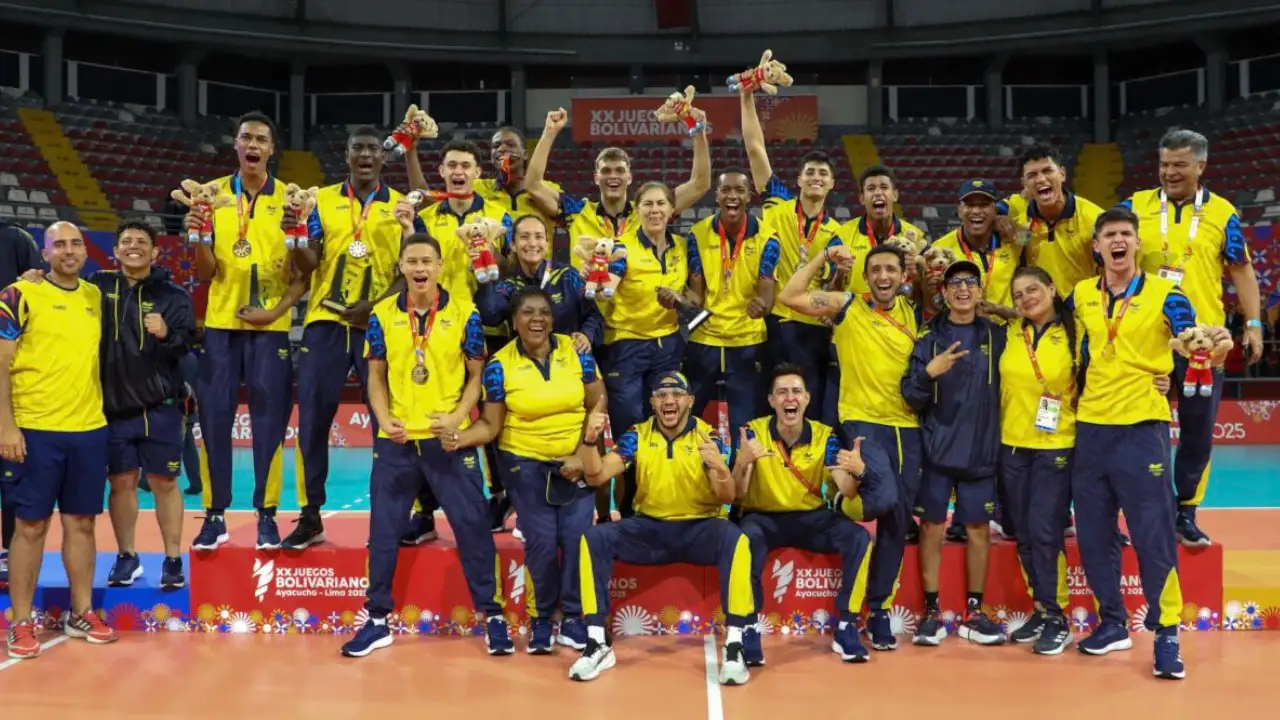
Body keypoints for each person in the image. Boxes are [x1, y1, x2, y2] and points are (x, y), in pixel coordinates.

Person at [1066, 205, 1230, 680]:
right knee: (1095, 537)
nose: (1117, 242)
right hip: (1090, 430)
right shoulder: (1078, 295)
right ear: (1096, 246)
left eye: (1125, 234)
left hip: (1142, 430)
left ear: (1137, 243)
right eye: (1108, 236)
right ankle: (1112, 623)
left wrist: (1203, 342)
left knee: (1153, 536)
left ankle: (1166, 635)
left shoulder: (1166, 293)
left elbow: (1189, 335)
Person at [339, 234, 512, 658]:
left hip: (448, 441)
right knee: (382, 532)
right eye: (412, 261)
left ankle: (493, 617)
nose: (419, 268)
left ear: (438, 266)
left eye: (427, 261)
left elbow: (478, 375)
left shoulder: (464, 314)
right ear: (401, 267)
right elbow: (374, 376)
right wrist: (382, 419)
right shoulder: (381, 315)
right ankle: (377, 619)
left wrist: (456, 418)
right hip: (396, 441)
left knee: (473, 529)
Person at [22, 221, 196, 590]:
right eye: (126, 242)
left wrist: (167, 334)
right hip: (111, 407)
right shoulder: (96, 289)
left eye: (142, 242)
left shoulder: (174, 296)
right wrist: (35, 275)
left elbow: (187, 346)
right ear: (115, 252)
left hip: (160, 406)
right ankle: (127, 556)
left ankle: (172, 558)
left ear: (155, 252)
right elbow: (60, 287)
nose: (134, 247)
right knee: (121, 483)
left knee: (165, 483)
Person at [1123, 129, 1263, 547]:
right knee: (1133, 429)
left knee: (1198, 432)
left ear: (1201, 166)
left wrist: (1253, 324)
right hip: (1144, 341)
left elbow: (1240, 270)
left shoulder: (1223, 213)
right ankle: (1142, 511)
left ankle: (1186, 510)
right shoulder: (1135, 206)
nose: (1169, 172)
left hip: (1202, 345)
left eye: (1179, 164)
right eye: (1164, 164)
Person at [445, 286, 605, 653]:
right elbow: (491, 426)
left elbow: (598, 400)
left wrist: (583, 454)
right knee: (544, 543)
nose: (538, 319)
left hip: (576, 458)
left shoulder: (576, 352)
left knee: (577, 539)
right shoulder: (499, 366)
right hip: (524, 463)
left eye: (544, 313)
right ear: (514, 322)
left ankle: (573, 619)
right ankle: (542, 621)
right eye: (528, 313)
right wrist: (462, 438)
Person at [777, 243, 920, 652]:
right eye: (875, 269)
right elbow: (790, 297)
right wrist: (824, 257)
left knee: (897, 523)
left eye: (891, 269)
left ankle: (876, 612)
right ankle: (840, 502)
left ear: (902, 275)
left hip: (908, 427)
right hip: (863, 424)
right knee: (885, 499)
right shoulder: (847, 305)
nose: (883, 277)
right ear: (866, 275)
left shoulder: (915, 312)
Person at [284, 126, 419, 550]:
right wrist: (294, 237)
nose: (365, 155)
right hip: (325, 322)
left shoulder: (400, 206)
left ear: (383, 157)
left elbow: (408, 272)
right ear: (346, 157)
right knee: (312, 425)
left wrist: (374, 306)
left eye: (372, 149)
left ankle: (389, 516)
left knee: (388, 423)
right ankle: (310, 516)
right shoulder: (321, 200)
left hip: (378, 326)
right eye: (357, 148)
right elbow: (308, 264)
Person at [569, 371, 751, 685]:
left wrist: (721, 468)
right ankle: (597, 641)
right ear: (652, 402)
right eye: (662, 394)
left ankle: (735, 644)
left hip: (699, 529)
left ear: (690, 401)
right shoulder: (636, 435)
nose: (669, 400)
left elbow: (727, 496)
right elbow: (597, 476)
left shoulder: (710, 437)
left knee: (737, 540)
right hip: (648, 530)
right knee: (593, 539)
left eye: (677, 394)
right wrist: (588, 440)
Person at [184, 111, 307, 552]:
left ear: (272, 149)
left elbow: (303, 273)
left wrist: (273, 311)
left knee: (269, 423)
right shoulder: (212, 196)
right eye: (245, 137)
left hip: (270, 329)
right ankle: (215, 514)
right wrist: (198, 237)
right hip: (220, 325)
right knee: (214, 418)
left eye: (261, 139)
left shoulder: (290, 202)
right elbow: (206, 271)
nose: (252, 144)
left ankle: (267, 514)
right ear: (235, 145)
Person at [0, 222, 116, 658]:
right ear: (44, 254)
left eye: (76, 244)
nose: (68, 251)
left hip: (88, 428)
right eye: (59, 245)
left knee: (82, 523)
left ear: (85, 252)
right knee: (29, 526)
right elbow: (1, 363)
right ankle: (22, 620)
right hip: (33, 429)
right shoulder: (18, 295)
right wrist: (6, 426)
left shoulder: (94, 297)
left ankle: (81, 611)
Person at [732, 362, 883, 666]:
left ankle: (846, 626)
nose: (790, 398)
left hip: (812, 518)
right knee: (744, 540)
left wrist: (857, 472)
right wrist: (741, 462)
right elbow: (738, 494)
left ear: (807, 399)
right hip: (764, 518)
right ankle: (749, 627)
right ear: (772, 400)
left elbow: (847, 490)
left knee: (858, 538)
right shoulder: (752, 433)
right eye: (782, 392)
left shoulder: (825, 437)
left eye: (796, 392)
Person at [403, 139, 513, 542]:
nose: (459, 172)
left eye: (466, 165)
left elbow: (511, 269)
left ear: (477, 173)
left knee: (491, 419)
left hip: (488, 330)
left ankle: (500, 498)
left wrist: (486, 252)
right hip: (437, 331)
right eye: (451, 166)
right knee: (430, 418)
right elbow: (415, 268)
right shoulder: (428, 219)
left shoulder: (501, 217)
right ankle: (424, 511)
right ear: (443, 173)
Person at [474, 213, 606, 526]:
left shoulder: (568, 277)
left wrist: (587, 335)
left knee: (593, 432)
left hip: (571, 370)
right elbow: (491, 314)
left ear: (548, 243)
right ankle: (513, 503)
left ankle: (603, 515)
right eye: (524, 237)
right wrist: (483, 269)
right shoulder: (508, 284)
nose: (532, 243)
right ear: (515, 244)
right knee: (510, 437)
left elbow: (594, 316)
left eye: (538, 237)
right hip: (526, 372)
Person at [900, 260, 1006, 647]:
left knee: (978, 530)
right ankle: (931, 612)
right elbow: (910, 396)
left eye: (970, 283)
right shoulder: (928, 338)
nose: (963, 289)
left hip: (982, 452)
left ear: (980, 291)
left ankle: (975, 613)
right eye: (955, 283)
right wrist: (929, 373)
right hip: (936, 452)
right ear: (943, 292)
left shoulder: (998, 336)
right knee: (931, 528)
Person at [739, 88, 844, 425]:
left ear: (831, 184)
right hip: (770, 324)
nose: (816, 177)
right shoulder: (775, 204)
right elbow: (755, 148)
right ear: (799, 179)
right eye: (810, 172)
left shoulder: (837, 234)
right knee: (763, 404)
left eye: (823, 174)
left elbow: (832, 286)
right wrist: (745, 97)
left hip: (811, 331)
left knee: (806, 409)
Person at [598, 181, 695, 518]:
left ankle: (662, 501)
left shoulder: (683, 247)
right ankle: (626, 508)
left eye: (661, 204)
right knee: (630, 431)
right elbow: (605, 289)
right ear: (636, 210)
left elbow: (696, 300)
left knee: (664, 428)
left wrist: (679, 301)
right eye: (647, 204)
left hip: (668, 347)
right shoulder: (621, 248)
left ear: (671, 210)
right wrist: (598, 280)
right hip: (626, 348)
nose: (655, 210)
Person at [524, 108, 711, 272]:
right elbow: (533, 185)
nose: (613, 176)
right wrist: (549, 133)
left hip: (632, 308)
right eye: (606, 171)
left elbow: (700, 184)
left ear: (629, 178)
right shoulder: (577, 211)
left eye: (620, 171)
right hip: (589, 307)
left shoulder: (647, 211)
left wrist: (698, 133)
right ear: (596, 178)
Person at [684, 167, 780, 446]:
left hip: (747, 341)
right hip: (706, 339)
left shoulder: (768, 238)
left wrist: (761, 306)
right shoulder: (697, 235)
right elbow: (697, 296)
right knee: (689, 415)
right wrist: (678, 301)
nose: (732, 196)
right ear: (716, 196)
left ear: (750, 196)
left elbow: (767, 295)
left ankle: (744, 483)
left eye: (739, 190)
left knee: (746, 422)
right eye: (726, 190)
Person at [998, 144, 1103, 297]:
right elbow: (988, 211)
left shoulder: (1094, 219)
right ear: (1024, 184)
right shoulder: (1018, 212)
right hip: (1036, 311)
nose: (1040, 179)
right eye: (1032, 175)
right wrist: (996, 219)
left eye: (1047, 171)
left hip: (1081, 310)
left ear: (1062, 174)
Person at [0, 218, 43, 588]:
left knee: (11, 475)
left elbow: (36, 284)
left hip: (9, 372)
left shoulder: (13, 237)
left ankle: (8, 555)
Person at [839, 165, 928, 297]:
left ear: (895, 195)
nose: (878, 193)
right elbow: (829, 288)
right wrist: (838, 276)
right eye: (871, 188)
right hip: (857, 316)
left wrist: (916, 274)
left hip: (901, 316)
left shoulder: (916, 238)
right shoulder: (842, 235)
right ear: (862, 198)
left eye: (884, 187)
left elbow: (928, 294)